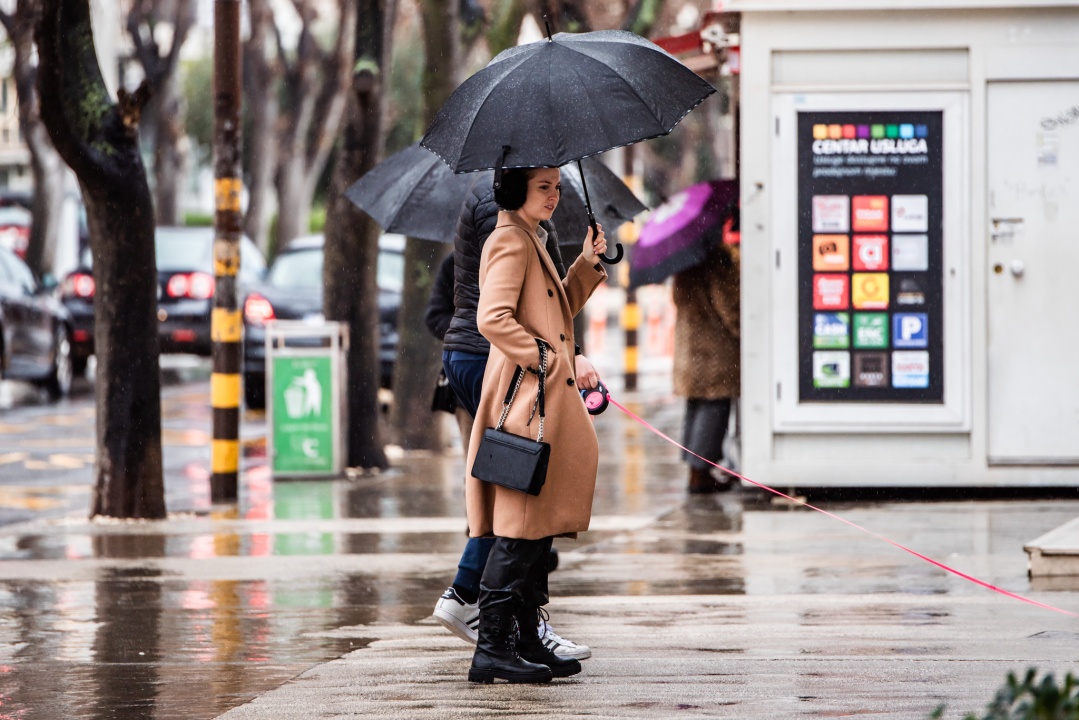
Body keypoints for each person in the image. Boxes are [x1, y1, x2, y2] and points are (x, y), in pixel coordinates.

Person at [433, 177, 598, 662]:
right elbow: (492, 318)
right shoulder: (509, 237)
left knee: (534, 514)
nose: (554, 195)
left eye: (558, 186)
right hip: (522, 387)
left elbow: (552, 312)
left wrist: (586, 264)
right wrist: (544, 359)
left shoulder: (532, 236)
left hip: (535, 385)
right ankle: (492, 639)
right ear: (516, 188)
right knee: (520, 512)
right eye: (544, 186)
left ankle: (524, 636)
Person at [672, 240, 741, 494]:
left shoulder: (684, 258)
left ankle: (696, 468)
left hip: (690, 345)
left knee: (697, 404)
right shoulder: (716, 256)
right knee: (715, 405)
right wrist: (744, 329)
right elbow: (729, 305)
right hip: (714, 347)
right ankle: (700, 472)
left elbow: (678, 298)